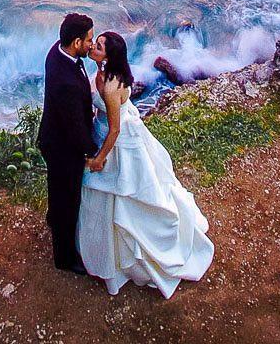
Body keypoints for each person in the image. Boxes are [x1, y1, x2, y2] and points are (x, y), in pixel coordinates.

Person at [77, 31, 214, 297]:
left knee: (123, 196)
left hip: (115, 139)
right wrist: (97, 64)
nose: (94, 45)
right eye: (97, 42)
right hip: (109, 127)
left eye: (100, 45)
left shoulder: (113, 85)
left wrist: (100, 159)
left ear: (110, 55)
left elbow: (114, 130)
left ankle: (123, 258)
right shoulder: (107, 71)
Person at [37, 12, 98, 273]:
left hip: (52, 136)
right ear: (76, 43)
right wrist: (92, 151)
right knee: (68, 200)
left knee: (57, 190)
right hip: (63, 148)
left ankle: (53, 218)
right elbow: (74, 128)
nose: (91, 45)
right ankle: (65, 258)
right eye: (88, 41)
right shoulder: (67, 83)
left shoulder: (57, 51)